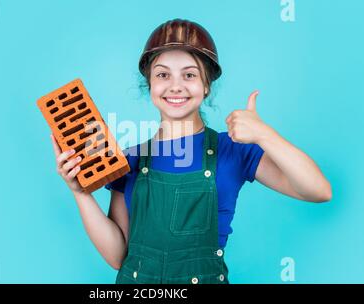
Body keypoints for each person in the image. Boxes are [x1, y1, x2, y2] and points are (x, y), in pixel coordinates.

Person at [50, 19, 332, 284]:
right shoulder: (129, 158)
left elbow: (318, 190)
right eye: (163, 74)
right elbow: (117, 256)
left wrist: (265, 135)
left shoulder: (232, 151)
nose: (175, 86)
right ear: (150, 84)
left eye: (189, 75)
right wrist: (80, 192)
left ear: (206, 85)